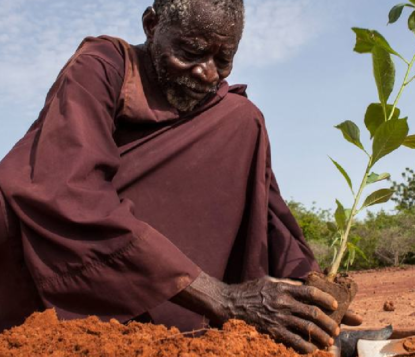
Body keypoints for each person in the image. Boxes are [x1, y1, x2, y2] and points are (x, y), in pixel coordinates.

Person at [0, 0, 360, 353]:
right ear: (151, 25)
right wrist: (222, 298)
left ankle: (177, 323)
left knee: (242, 119)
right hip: (38, 261)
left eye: (223, 59)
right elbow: (67, 190)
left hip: (153, 282)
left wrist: (312, 305)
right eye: (191, 52)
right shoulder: (101, 67)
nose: (207, 73)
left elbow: (268, 213)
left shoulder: (223, 111)